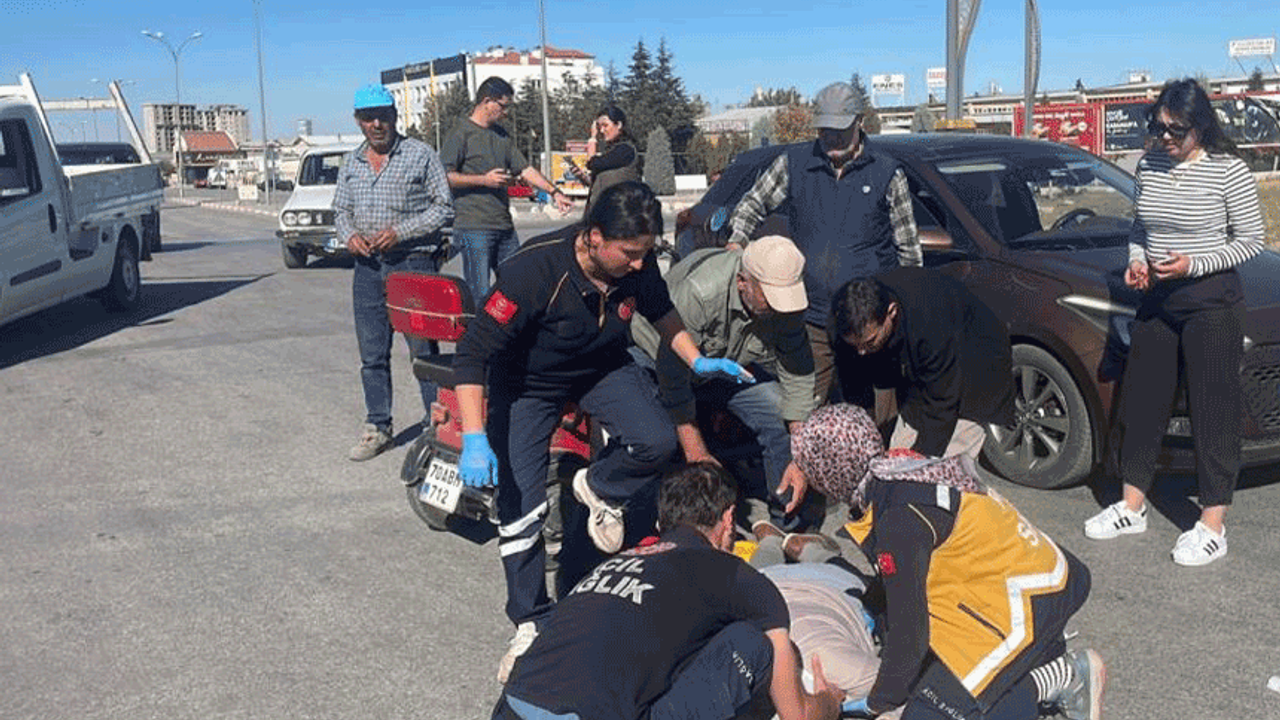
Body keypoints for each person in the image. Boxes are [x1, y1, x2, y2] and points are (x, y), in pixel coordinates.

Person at [449, 181, 754, 681]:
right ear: (592, 238)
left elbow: (661, 310)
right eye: (630, 254)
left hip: (599, 367)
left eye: (645, 253)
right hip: (527, 383)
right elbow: (472, 354)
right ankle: (528, 619)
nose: (639, 264)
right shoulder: (532, 271)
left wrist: (698, 360)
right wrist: (476, 436)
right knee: (522, 505)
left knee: (656, 440)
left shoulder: (636, 264)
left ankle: (597, 487)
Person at [791, 404, 1106, 720]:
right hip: (1036, 572)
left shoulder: (898, 521)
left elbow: (910, 636)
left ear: (830, 472)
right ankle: (1041, 655)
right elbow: (906, 575)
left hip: (1025, 600)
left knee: (932, 713)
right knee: (941, 679)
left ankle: (1064, 676)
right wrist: (875, 603)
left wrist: (878, 701)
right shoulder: (898, 468)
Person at [493, 462, 844, 720]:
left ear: (661, 524)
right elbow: (798, 715)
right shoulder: (735, 575)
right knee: (752, 643)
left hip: (510, 707)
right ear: (728, 519)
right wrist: (829, 701)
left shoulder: (613, 564)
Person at [1083, 78, 1265, 567]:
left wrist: (1194, 263)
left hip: (1211, 301)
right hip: (1158, 300)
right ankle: (1132, 504)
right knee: (1142, 402)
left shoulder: (1230, 172)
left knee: (1213, 410)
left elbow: (1251, 240)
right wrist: (1137, 259)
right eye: (1158, 126)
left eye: (1176, 130)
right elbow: (1140, 226)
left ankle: (1211, 523)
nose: (1165, 137)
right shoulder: (1149, 164)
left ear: (1200, 126)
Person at [725, 81, 921, 402]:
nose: (831, 138)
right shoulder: (795, 163)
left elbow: (909, 251)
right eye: (824, 130)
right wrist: (737, 244)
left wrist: (905, 307)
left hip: (866, 320)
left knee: (870, 409)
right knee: (807, 406)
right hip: (810, 316)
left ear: (859, 122)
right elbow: (751, 204)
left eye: (840, 130)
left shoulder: (887, 173)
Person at [631, 235, 819, 531]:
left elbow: (797, 368)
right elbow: (673, 372)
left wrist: (801, 449)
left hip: (724, 366)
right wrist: (695, 448)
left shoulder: (784, 304)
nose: (780, 309)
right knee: (658, 438)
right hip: (657, 359)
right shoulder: (700, 293)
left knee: (777, 410)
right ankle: (654, 520)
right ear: (743, 282)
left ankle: (785, 522)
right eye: (771, 298)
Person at [332, 84, 454, 461]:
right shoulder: (351, 163)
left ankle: (439, 426)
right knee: (372, 353)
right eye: (368, 117)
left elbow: (444, 209)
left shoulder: (420, 154)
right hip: (367, 267)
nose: (377, 123)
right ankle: (378, 426)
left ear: (395, 116)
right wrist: (349, 236)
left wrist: (400, 232)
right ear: (358, 121)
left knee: (423, 351)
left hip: (412, 262)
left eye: (383, 115)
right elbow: (340, 212)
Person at [829, 267, 1015, 461]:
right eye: (855, 345)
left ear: (891, 312)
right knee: (898, 459)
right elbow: (852, 383)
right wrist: (862, 425)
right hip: (920, 369)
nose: (861, 352)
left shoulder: (929, 322)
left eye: (869, 342)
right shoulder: (842, 323)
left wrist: (923, 452)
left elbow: (944, 395)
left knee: (939, 464)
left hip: (974, 360)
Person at [441, 76, 574, 303]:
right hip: (474, 227)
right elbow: (445, 177)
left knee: (518, 289)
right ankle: (480, 337)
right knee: (480, 296)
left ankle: (512, 337)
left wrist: (554, 192)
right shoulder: (460, 133)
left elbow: (524, 169)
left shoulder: (501, 135)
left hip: (504, 228)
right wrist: (484, 180)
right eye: (503, 106)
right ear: (487, 101)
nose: (505, 113)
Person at [568, 105, 640, 214]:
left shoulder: (625, 149)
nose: (601, 130)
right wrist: (582, 176)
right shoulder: (610, 151)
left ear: (619, 125)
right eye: (599, 127)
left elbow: (593, 163)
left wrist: (592, 139)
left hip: (619, 216)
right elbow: (600, 182)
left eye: (605, 125)